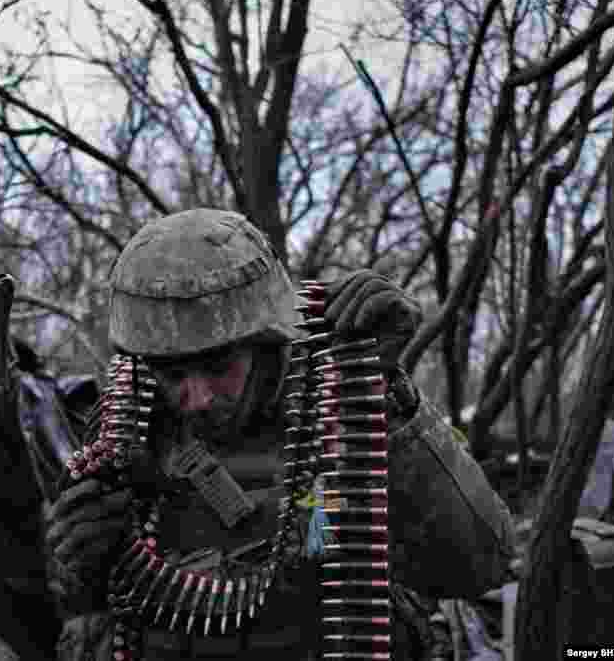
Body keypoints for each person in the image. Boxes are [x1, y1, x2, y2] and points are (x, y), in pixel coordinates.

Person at [45, 209, 514, 660]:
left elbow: (479, 567)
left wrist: (386, 397)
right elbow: (80, 609)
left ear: (266, 339)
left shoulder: (340, 403)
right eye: (170, 372)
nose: (198, 397)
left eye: (218, 365)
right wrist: (81, 567)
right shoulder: (127, 422)